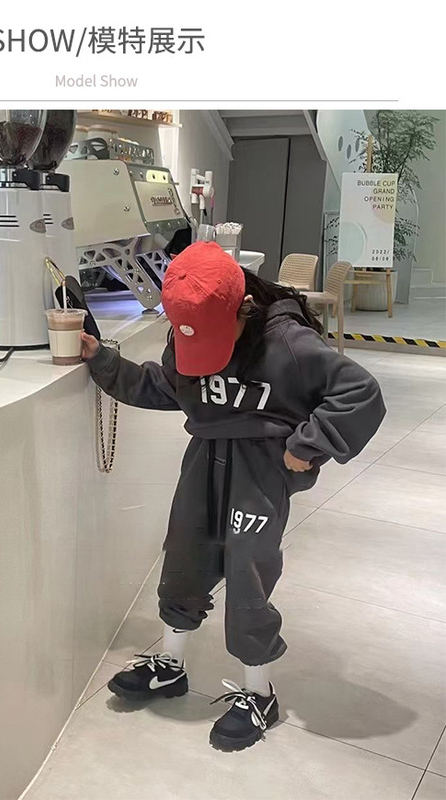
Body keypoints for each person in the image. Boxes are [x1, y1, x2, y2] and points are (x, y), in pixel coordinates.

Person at [81, 241, 386, 753]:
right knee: (183, 558)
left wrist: (307, 446)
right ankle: (171, 665)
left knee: (247, 574)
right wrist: (104, 361)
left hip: (260, 472)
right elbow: (167, 387)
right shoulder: (186, 335)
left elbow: (360, 393)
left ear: (244, 309)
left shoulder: (288, 343)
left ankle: (259, 694)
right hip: (203, 459)